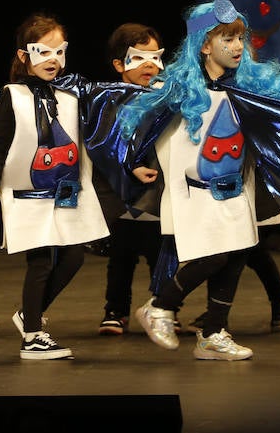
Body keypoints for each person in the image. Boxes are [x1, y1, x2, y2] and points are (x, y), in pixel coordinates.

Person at [122, 0, 280, 362]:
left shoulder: (250, 86)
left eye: (240, 37)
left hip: (237, 188)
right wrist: (136, 161)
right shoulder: (177, 88)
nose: (238, 46)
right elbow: (137, 125)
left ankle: (213, 332)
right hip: (198, 191)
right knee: (217, 254)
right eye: (227, 38)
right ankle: (161, 305)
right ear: (204, 45)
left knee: (239, 252)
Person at [0, 13, 109, 360]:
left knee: (74, 255)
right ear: (24, 56)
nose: (53, 60)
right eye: (44, 52)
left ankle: (28, 316)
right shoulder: (12, 96)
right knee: (41, 262)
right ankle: (33, 335)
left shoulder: (68, 96)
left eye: (59, 52)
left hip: (64, 194)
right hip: (26, 195)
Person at [96, 22, 168, 336]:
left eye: (154, 58)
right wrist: (129, 166)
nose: (149, 66)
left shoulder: (164, 96)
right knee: (122, 255)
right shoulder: (112, 98)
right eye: (139, 59)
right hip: (123, 191)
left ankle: (163, 308)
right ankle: (116, 310)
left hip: (158, 190)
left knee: (159, 252)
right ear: (119, 64)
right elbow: (104, 141)